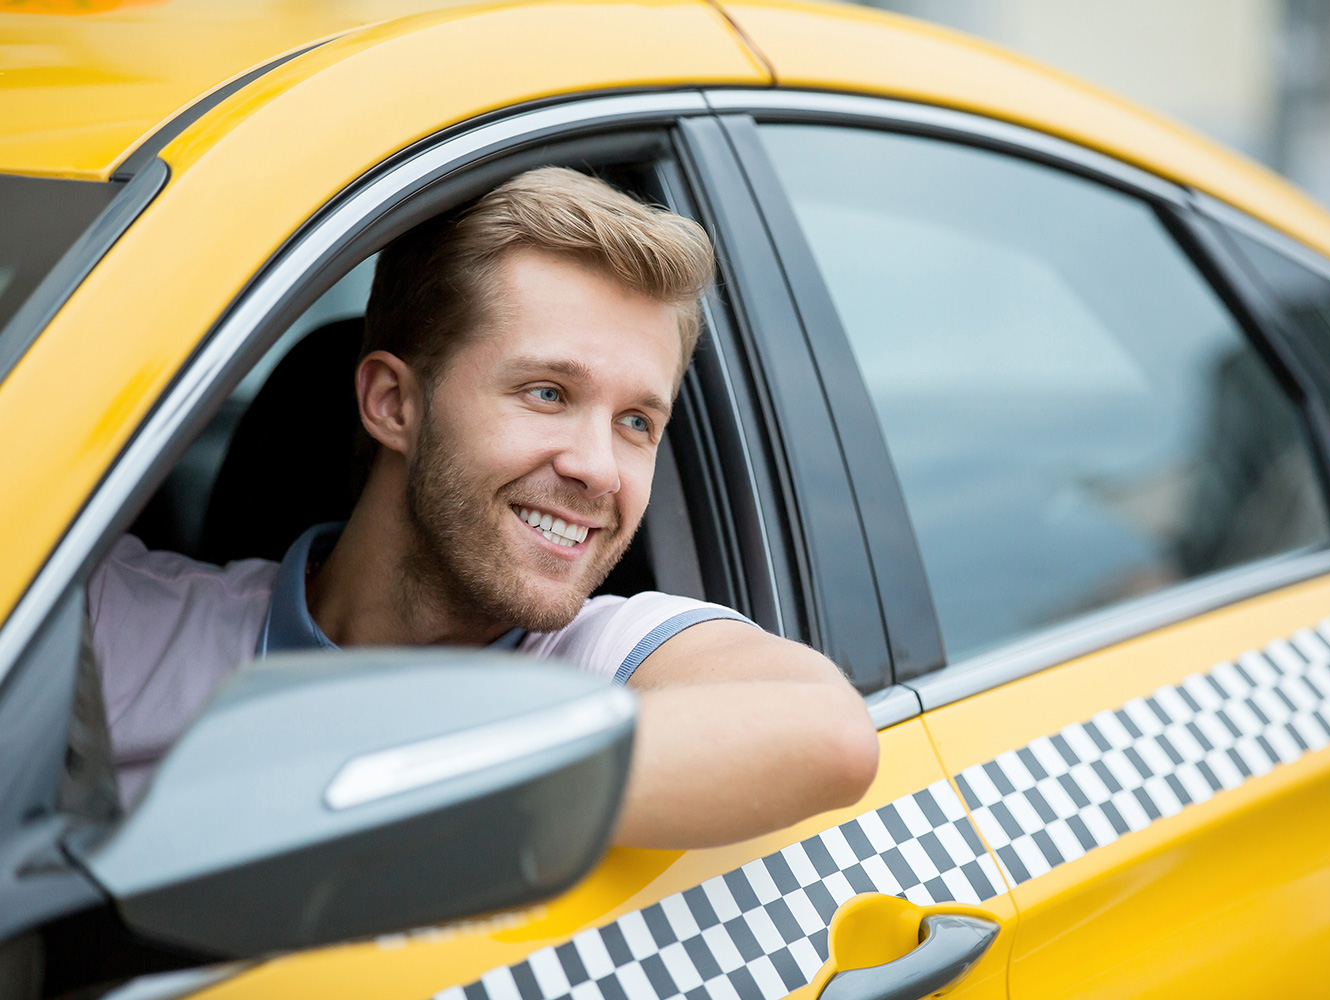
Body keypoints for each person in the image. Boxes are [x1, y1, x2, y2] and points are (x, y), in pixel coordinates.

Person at [87, 167, 879, 848]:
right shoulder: (114, 626)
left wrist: (390, 783)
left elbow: (829, 731)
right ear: (393, 403)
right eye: (548, 393)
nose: (599, 468)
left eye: (637, 422)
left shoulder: (600, 661)